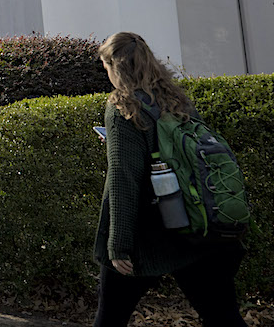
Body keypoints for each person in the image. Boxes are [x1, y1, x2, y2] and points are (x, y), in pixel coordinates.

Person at [94, 31, 246, 327]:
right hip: (194, 224)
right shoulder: (175, 99)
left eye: (106, 68)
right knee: (223, 315)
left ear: (116, 66)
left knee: (110, 317)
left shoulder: (123, 105)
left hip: (146, 233)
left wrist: (118, 245)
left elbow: (123, 179)